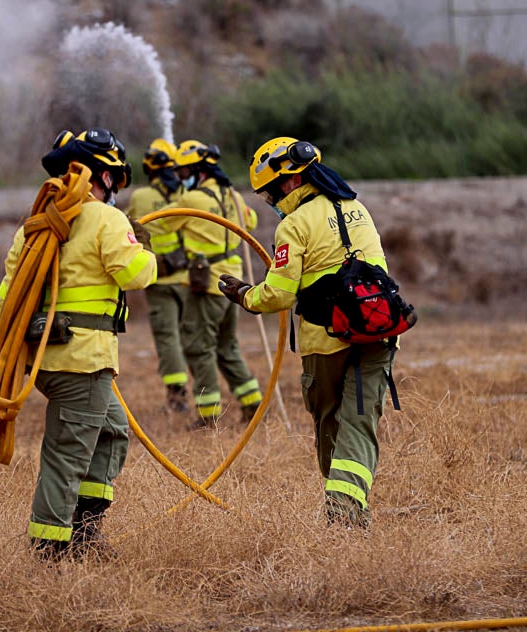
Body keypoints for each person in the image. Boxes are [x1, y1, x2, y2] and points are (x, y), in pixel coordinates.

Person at [0, 127, 156, 559]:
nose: (116, 188)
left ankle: (85, 530)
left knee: (112, 430)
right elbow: (135, 275)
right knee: (66, 455)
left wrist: (2, 356)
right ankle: (52, 550)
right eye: (115, 179)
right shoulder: (106, 218)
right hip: (84, 360)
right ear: (102, 175)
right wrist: (144, 246)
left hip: (46, 358)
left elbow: (7, 293)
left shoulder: (35, 226)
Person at [218, 137, 396, 528]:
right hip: (379, 334)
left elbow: (279, 294)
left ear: (287, 182)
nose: (270, 202)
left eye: (268, 194)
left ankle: (343, 516)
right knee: (361, 423)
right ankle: (351, 512)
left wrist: (245, 296)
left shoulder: (294, 225)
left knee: (331, 423)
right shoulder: (358, 208)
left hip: (327, 341)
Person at [159, 139, 263, 428]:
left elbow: (164, 223)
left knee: (198, 348)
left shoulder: (193, 200)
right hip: (233, 285)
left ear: (197, 171)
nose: (180, 178)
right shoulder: (233, 196)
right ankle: (252, 401)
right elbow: (250, 222)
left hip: (206, 287)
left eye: (183, 173)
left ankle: (208, 416)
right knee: (227, 347)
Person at [125, 138, 192, 413]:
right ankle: (205, 392)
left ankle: (177, 397)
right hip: (188, 276)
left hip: (159, 277)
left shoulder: (141, 197)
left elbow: (128, 228)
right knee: (191, 335)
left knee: (168, 338)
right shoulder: (185, 195)